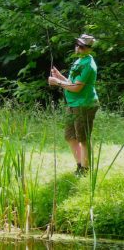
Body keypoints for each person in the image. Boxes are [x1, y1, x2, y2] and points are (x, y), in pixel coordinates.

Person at [48, 34, 99, 176]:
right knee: (70, 136)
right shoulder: (79, 61)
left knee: (82, 138)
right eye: (77, 44)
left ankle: (85, 170)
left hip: (84, 105)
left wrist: (56, 82)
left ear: (89, 48)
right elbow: (71, 83)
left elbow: (76, 88)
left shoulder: (88, 65)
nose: (78, 47)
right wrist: (59, 77)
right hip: (73, 104)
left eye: (82, 46)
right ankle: (79, 165)